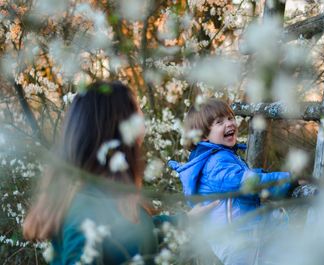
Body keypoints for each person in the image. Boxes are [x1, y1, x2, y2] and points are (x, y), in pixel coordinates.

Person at [23, 81, 216, 265]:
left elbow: (136, 233)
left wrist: (186, 219)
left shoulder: (107, 196)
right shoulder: (84, 211)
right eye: (137, 112)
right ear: (117, 127)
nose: (144, 123)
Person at [168, 98, 293, 265]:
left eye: (230, 118)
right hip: (240, 241)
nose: (230, 124)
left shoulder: (218, 157)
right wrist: (288, 180)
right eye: (219, 122)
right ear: (203, 136)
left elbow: (237, 177)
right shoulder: (216, 162)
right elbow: (247, 182)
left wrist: (261, 173)